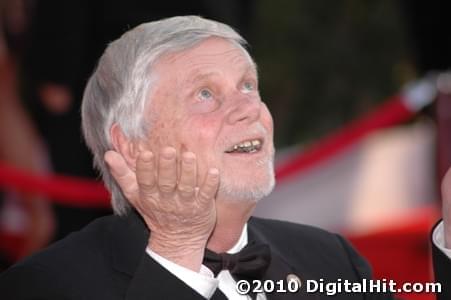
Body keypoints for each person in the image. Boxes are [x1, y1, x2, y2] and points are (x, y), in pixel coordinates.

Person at [0, 16, 449, 299]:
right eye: (206, 94)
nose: (248, 108)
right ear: (133, 145)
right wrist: (177, 254)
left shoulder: (331, 258)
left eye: (248, 86)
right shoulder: (43, 286)